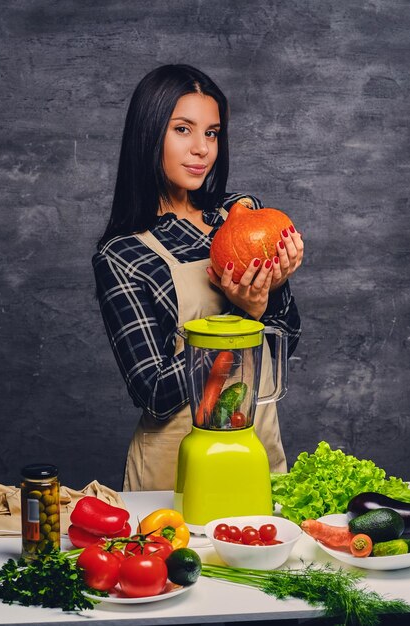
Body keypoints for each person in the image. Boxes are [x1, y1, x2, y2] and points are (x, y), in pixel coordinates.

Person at [92, 64, 303, 491]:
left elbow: (283, 343)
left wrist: (272, 294)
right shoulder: (124, 255)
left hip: (256, 450)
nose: (202, 149)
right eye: (183, 129)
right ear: (149, 135)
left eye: (211, 132)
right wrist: (239, 317)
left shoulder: (239, 217)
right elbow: (154, 393)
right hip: (175, 472)